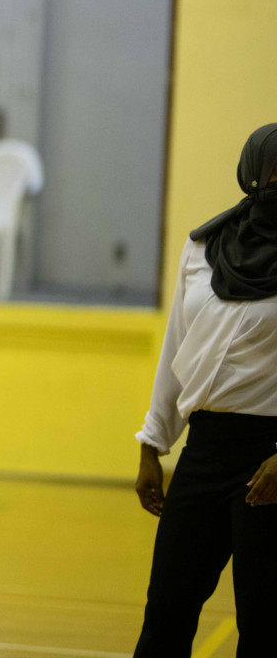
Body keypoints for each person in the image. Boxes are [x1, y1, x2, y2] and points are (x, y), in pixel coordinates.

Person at [133, 123, 277, 658]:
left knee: (263, 627)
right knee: (166, 612)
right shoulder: (203, 248)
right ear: (251, 174)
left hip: (271, 461)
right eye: (275, 170)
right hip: (205, 449)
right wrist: (153, 443)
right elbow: (177, 349)